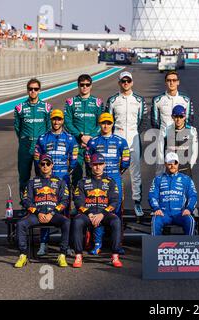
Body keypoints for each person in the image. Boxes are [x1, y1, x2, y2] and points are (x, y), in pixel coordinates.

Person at [34, 109, 78, 256]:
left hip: (63, 178)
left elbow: (74, 159)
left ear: (63, 120)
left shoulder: (70, 139)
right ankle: (43, 244)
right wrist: (43, 172)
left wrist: (68, 171)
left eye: (59, 119)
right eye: (54, 119)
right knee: (45, 208)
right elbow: (37, 158)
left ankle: (66, 245)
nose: (56, 122)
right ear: (51, 120)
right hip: (46, 179)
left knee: (65, 212)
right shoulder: (42, 138)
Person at [14, 154, 70, 268]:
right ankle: (23, 255)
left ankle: (62, 254)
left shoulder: (60, 182)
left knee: (67, 222)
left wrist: (52, 213)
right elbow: (26, 200)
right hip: (37, 214)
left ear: (52, 165)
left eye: (48, 163)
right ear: (39, 165)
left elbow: (64, 201)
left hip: (53, 214)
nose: (45, 166)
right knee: (20, 224)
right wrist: (37, 212)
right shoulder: (32, 182)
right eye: (42, 164)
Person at [85, 113, 130, 255]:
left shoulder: (121, 141)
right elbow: (87, 159)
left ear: (112, 124)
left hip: (115, 178)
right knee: (98, 208)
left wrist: (117, 172)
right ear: (99, 124)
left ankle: (116, 244)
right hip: (97, 179)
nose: (106, 125)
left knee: (116, 211)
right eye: (103, 123)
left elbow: (126, 161)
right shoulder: (93, 142)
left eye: (108, 123)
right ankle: (97, 243)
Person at [71, 153, 123, 268]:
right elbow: (78, 201)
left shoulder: (110, 181)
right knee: (77, 221)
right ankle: (78, 255)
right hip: (87, 214)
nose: (97, 167)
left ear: (104, 165)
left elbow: (114, 201)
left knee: (116, 221)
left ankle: (115, 255)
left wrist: (102, 214)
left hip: (104, 214)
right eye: (95, 164)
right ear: (90, 165)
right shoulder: (82, 182)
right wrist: (88, 213)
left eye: (100, 164)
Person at [106, 71, 147, 216]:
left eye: (128, 81)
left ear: (132, 82)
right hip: (116, 138)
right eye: (123, 81)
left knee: (135, 173)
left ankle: (137, 203)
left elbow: (144, 120)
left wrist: (136, 133)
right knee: (113, 172)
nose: (125, 83)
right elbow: (107, 120)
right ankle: (113, 203)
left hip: (133, 137)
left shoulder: (139, 100)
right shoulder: (112, 100)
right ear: (119, 83)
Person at [14, 78, 51, 201]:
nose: (33, 91)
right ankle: (25, 203)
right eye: (30, 89)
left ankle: (41, 202)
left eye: (35, 89)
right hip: (25, 147)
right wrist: (25, 139)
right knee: (24, 177)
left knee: (42, 176)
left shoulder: (46, 107)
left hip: (40, 148)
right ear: (27, 91)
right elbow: (17, 128)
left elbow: (48, 127)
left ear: (39, 90)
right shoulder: (20, 108)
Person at [64, 74, 104, 188]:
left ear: (91, 86)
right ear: (78, 86)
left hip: (92, 144)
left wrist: (90, 137)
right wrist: (81, 136)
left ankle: (93, 202)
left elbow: (101, 123)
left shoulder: (98, 102)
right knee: (76, 174)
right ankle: (77, 203)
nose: (84, 87)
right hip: (76, 143)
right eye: (82, 85)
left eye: (87, 85)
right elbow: (67, 123)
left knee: (94, 174)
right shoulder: (70, 102)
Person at [149, 152, 197, 236]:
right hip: (163, 213)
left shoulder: (186, 179)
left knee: (190, 220)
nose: (172, 166)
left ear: (178, 163)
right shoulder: (158, 179)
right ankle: (155, 247)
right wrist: (156, 208)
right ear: (165, 164)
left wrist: (189, 209)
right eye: (169, 163)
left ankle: (189, 246)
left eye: (175, 163)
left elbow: (193, 196)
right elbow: (152, 196)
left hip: (180, 213)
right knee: (155, 220)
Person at [157, 105, 198, 177]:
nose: (178, 119)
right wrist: (164, 167)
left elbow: (195, 152)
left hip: (185, 169)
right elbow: (160, 151)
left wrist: (190, 166)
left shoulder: (192, 131)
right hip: (170, 168)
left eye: (181, 117)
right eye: (176, 117)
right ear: (172, 117)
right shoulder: (165, 130)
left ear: (185, 117)